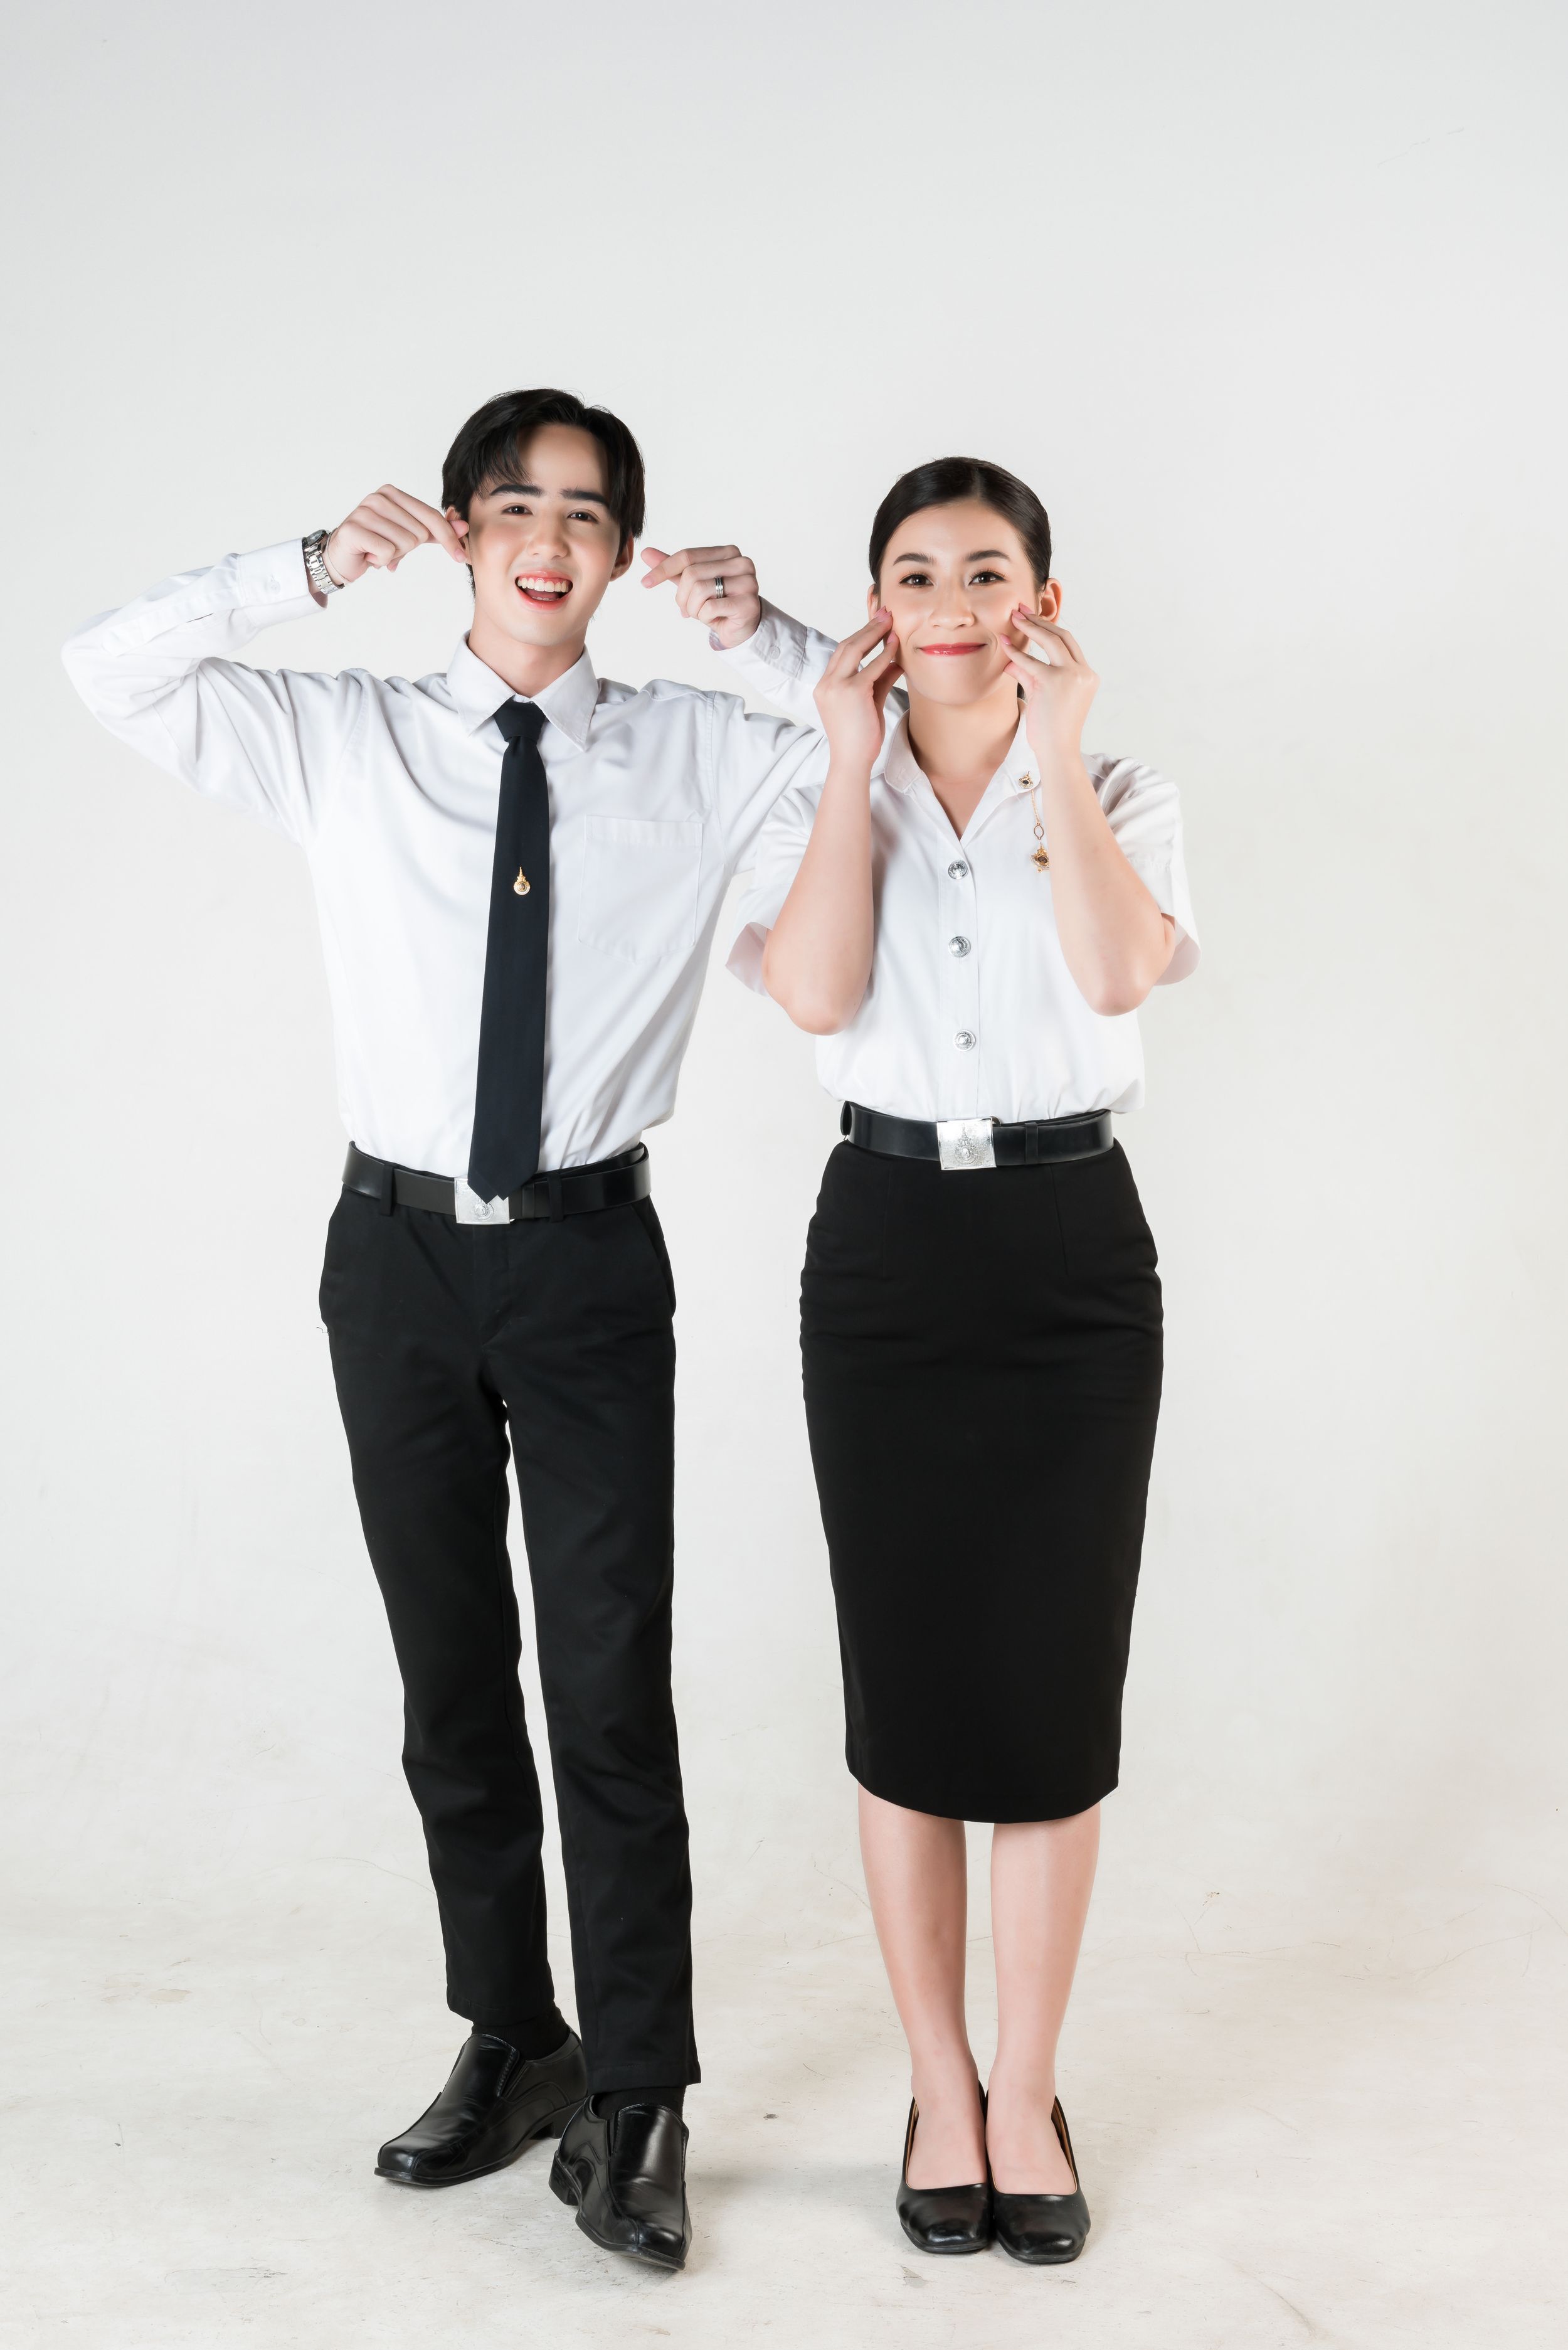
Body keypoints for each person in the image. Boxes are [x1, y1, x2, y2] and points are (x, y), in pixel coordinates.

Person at [61, 386, 824, 2273]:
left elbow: (887, 743)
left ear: (624, 554)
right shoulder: (349, 737)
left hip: (585, 1261)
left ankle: (638, 2093)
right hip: (391, 1258)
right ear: (463, 535)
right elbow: (110, 669)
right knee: (451, 1680)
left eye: (587, 514)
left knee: (608, 1683)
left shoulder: (703, 752)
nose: (548, 541)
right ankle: (515, 2031)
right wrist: (304, 568)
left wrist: (774, 637)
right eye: (514, 507)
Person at [723, 457, 1199, 2263]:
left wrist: (1054, 755)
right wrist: (849, 758)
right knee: (910, 1692)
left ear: (1040, 604)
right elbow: (820, 997)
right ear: (876, 607)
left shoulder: (1124, 789)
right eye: (912, 572)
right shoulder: (817, 784)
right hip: (887, 1248)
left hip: (1073, 1255)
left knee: (1056, 1699)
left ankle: (1026, 2087)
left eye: (986, 571)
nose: (948, 600)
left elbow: (1118, 973)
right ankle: (938, 2083)